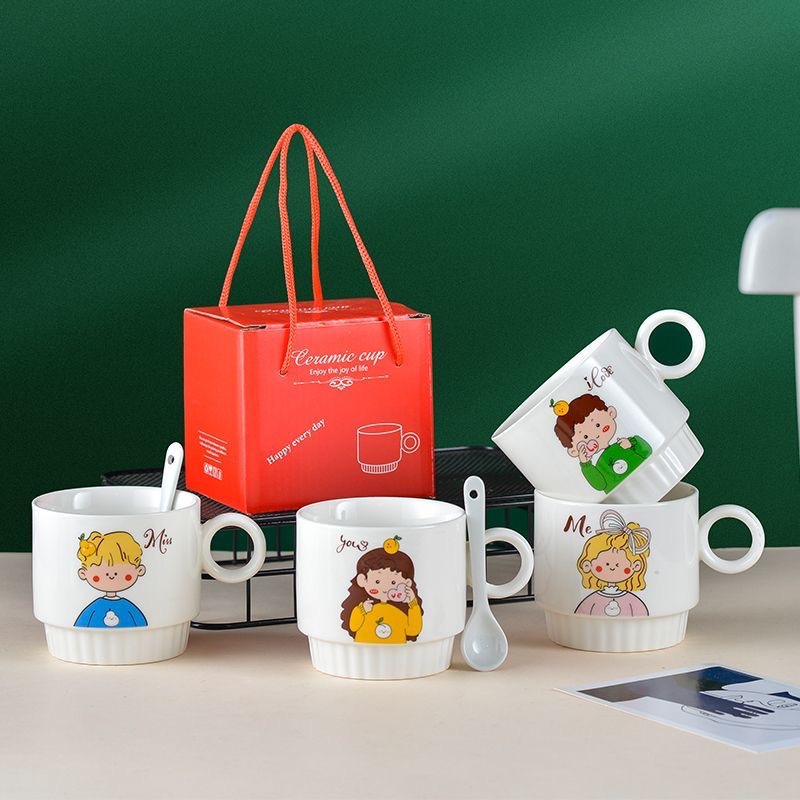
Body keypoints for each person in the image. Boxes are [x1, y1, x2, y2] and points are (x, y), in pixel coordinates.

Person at [552, 394, 652, 492]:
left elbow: (647, 450)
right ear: (574, 451)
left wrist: (632, 443)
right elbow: (600, 485)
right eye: (586, 437)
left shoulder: (625, 444)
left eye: (598, 425)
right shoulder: (600, 465)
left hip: (650, 472)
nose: (596, 435)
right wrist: (586, 464)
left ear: (610, 413)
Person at [340, 536, 423, 644]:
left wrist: (413, 604)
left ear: (407, 583)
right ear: (362, 580)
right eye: (377, 581)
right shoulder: (365, 609)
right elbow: (353, 626)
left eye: (393, 583)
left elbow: (413, 630)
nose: (384, 589)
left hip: (397, 652)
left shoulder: (399, 614)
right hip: (362, 650)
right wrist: (361, 610)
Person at [574, 511, 650, 617]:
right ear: (587, 565)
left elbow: (642, 616)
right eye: (606, 564)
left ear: (636, 566)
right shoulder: (592, 600)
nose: (612, 568)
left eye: (619, 565)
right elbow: (580, 616)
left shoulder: (631, 601)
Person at [74, 531, 148, 628]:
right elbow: (82, 623)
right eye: (99, 574)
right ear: (83, 574)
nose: (111, 576)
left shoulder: (127, 607)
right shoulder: (95, 608)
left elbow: (140, 623)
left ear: (139, 570)